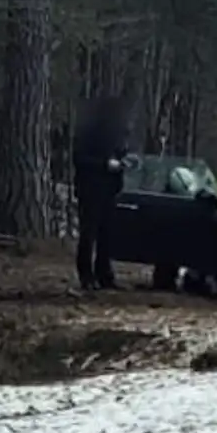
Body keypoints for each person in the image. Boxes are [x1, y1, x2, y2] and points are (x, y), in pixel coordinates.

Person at [72, 95, 132, 289]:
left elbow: (119, 153)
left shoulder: (116, 133)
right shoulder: (87, 132)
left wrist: (126, 161)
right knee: (88, 234)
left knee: (107, 234)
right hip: (89, 189)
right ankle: (86, 275)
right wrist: (105, 164)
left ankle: (104, 274)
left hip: (110, 189)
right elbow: (80, 159)